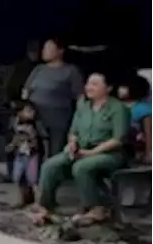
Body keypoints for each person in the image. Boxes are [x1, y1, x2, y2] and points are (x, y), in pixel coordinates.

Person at [34, 73, 130, 226]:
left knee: (81, 167)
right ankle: (46, 207)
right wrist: (72, 143)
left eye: (95, 84)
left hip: (110, 154)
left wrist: (93, 152)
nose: (89, 87)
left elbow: (118, 139)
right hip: (82, 151)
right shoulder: (83, 107)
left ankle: (96, 208)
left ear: (108, 88)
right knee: (50, 165)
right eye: (88, 84)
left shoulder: (118, 108)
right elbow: (73, 132)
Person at [23, 38, 83, 157]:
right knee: (33, 151)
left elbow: (80, 97)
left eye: (49, 48)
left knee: (55, 152)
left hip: (58, 119)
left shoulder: (70, 71)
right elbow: (26, 91)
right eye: (44, 48)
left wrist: (80, 119)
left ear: (60, 51)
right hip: (35, 117)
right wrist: (25, 108)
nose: (44, 51)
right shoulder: (38, 69)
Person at [6, 101, 45, 207]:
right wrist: (12, 146)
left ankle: (38, 202)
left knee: (33, 178)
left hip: (32, 154)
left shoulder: (36, 125)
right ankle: (21, 199)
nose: (32, 113)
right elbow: (11, 139)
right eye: (28, 111)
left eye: (32, 111)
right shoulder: (14, 124)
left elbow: (41, 139)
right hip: (19, 154)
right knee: (18, 177)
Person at [129, 76, 153, 163]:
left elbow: (149, 130)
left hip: (142, 144)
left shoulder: (144, 109)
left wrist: (149, 153)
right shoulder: (137, 106)